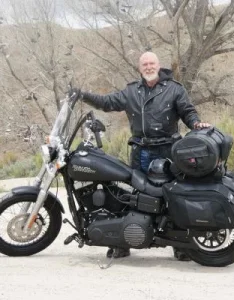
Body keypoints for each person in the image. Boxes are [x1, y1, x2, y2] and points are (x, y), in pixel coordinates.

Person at [76, 51, 210, 260]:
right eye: (144, 64)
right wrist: (83, 95)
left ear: (159, 66)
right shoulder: (131, 92)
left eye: (152, 63)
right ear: (140, 68)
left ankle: (181, 245)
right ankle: (122, 243)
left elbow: (188, 112)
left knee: (172, 196)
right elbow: (107, 102)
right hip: (141, 150)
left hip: (167, 150)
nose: (148, 67)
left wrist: (196, 124)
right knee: (130, 196)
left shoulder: (174, 89)